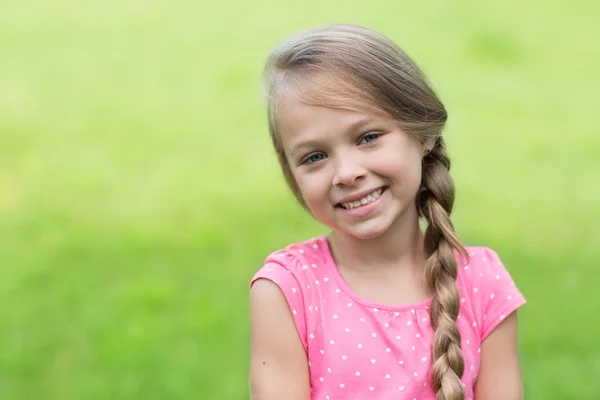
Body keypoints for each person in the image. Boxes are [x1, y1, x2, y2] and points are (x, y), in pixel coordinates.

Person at [248, 24, 526, 400]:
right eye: (315, 157)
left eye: (368, 137)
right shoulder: (288, 291)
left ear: (423, 132)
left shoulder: (482, 283)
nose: (346, 173)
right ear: (292, 175)